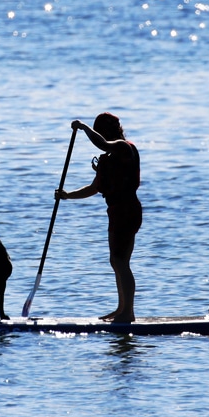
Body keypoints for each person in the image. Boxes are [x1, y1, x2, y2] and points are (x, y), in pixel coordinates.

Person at [55, 113, 142, 323]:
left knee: (119, 261)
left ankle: (128, 313)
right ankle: (122, 309)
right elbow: (94, 188)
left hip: (127, 209)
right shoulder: (109, 159)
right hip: (116, 211)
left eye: (101, 130)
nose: (100, 134)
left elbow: (101, 144)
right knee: (117, 262)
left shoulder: (123, 147)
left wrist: (84, 128)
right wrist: (67, 195)